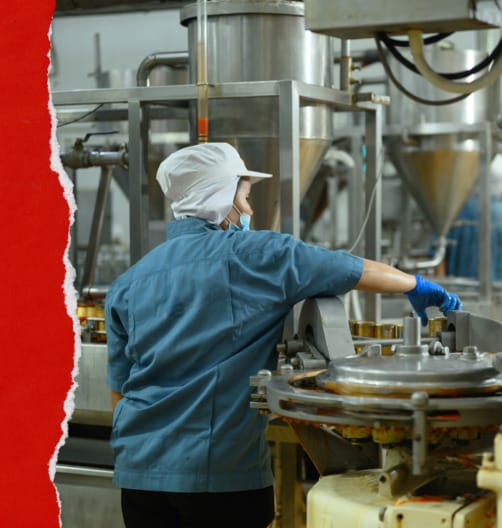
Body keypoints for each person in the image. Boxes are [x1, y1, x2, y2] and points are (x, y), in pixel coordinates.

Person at [106, 143, 461, 528]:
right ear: (221, 197)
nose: (250, 209)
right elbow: (348, 269)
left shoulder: (129, 281)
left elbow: (119, 390)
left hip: (139, 474)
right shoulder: (256, 254)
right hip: (218, 476)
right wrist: (417, 285)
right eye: (245, 196)